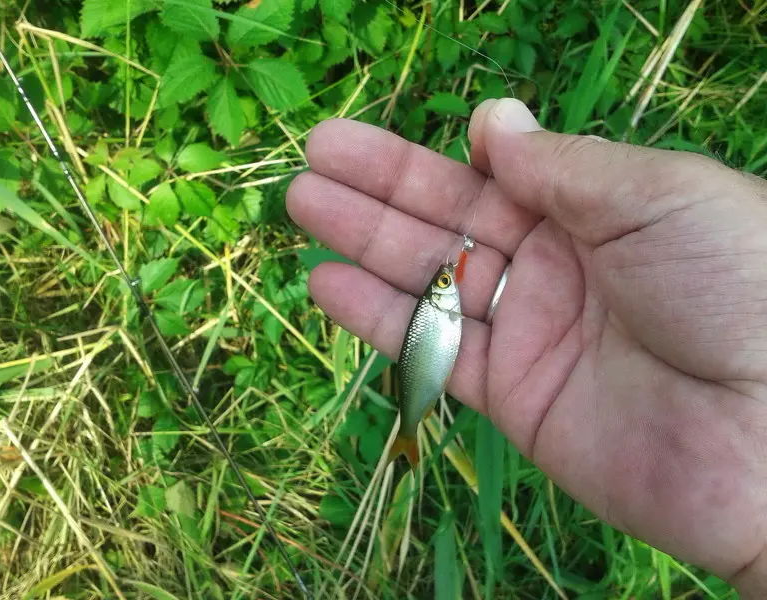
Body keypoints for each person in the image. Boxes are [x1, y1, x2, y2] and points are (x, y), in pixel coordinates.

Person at [285, 98, 767, 598]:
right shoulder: (445, 305)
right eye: (446, 280)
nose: (451, 280)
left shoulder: (445, 302)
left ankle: (407, 434)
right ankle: (409, 432)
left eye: (446, 280)